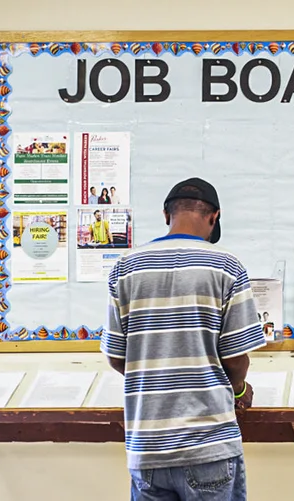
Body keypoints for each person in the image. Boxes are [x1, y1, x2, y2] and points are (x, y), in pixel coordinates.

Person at [100, 177, 266, 501]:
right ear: (214, 217)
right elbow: (235, 358)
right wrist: (240, 390)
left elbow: (116, 357)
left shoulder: (126, 268)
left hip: (147, 450)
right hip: (208, 446)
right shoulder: (226, 267)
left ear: (166, 214)